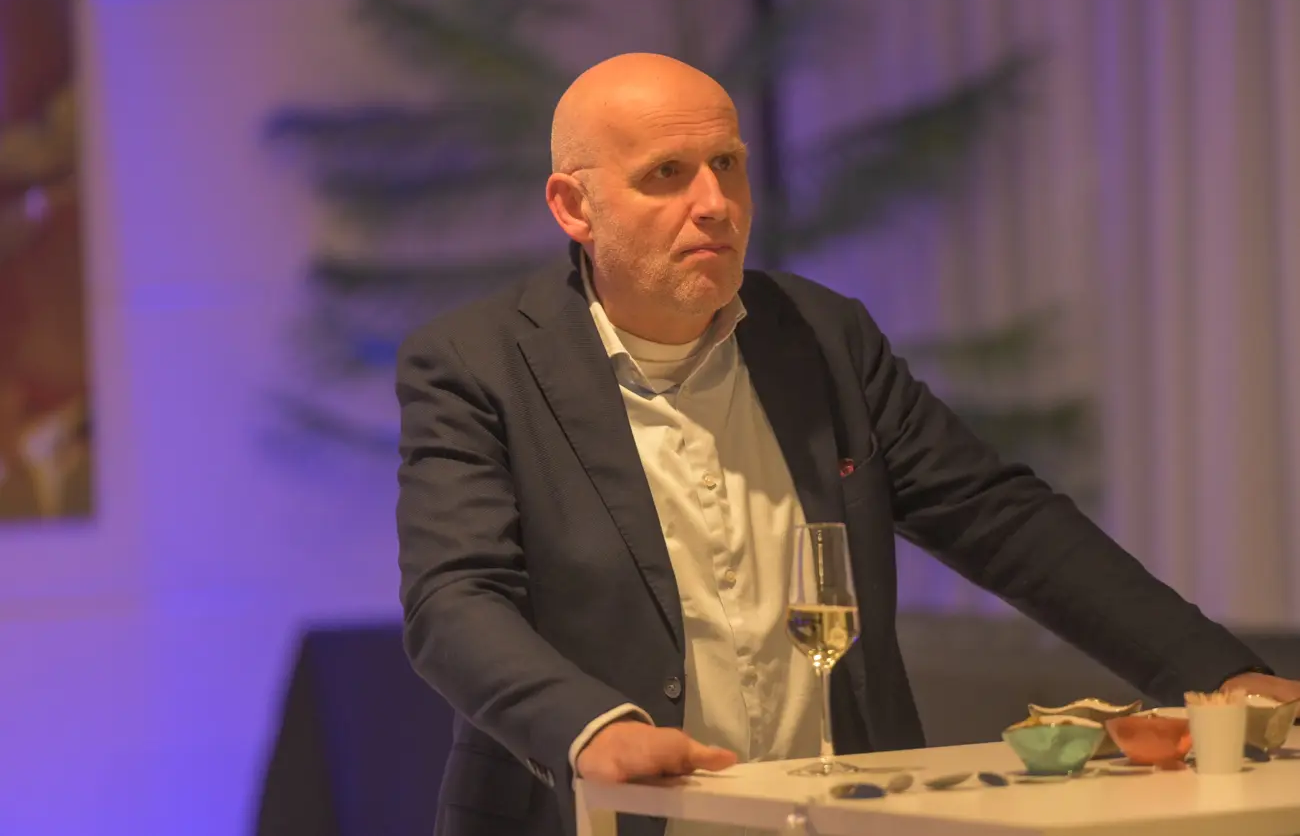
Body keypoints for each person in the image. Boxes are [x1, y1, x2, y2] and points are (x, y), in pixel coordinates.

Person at [395, 53, 1299, 836]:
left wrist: (1219, 674)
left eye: (726, 164)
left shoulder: (821, 336)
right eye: (666, 174)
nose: (714, 203)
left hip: (834, 811)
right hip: (596, 816)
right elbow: (455, 599)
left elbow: (999, 516)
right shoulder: (477, 362)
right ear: (574, 206)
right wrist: (592, 727)